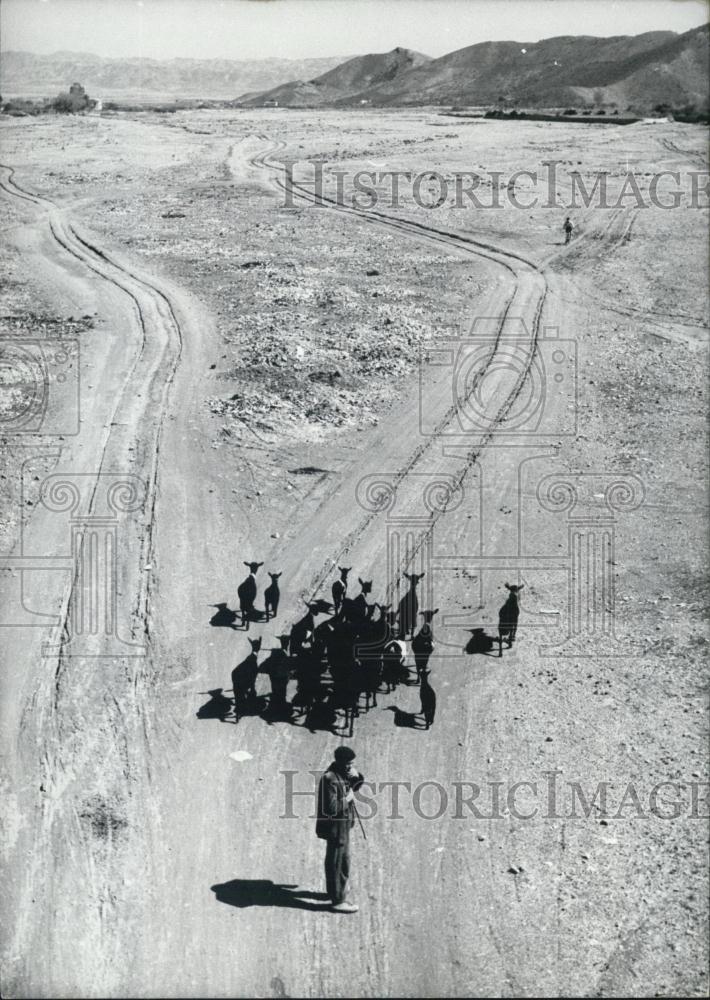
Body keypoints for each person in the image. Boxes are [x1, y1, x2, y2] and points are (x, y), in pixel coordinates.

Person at [316, 745, 364, 913]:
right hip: (336, 827)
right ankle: (338, 900)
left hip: (342, 826)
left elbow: (354, 785)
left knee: (339, 859)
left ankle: (334, 891)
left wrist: (357, 776)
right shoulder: (330, 778)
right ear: (341, 762)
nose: (351, 766)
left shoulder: (340, 772)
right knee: (339, 862)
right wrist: (348, 798)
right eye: (349, 763)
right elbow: (331, 807)